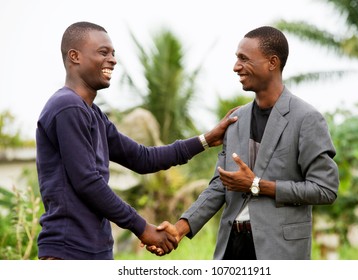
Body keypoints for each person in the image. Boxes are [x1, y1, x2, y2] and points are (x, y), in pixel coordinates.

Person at [35, 21, 237, 260]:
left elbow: (142, 158)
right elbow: (87, 181)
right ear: (74, 56)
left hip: (96, 250)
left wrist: (206, 139)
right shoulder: (66, 107)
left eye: (113, 53)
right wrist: (142, 228)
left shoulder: (93, 114)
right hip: (68, 251)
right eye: (103, 52)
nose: (113, 60)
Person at [149, 26, 339, 260]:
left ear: (272, 62)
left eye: (244, 59)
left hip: (279, 252)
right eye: (237, 58)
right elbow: (220, 185)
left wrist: (258, 185)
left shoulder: (307, 119)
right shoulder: (236, 120)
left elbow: (325, 189)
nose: (236, 66)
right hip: (231, 248)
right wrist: (179, 229)